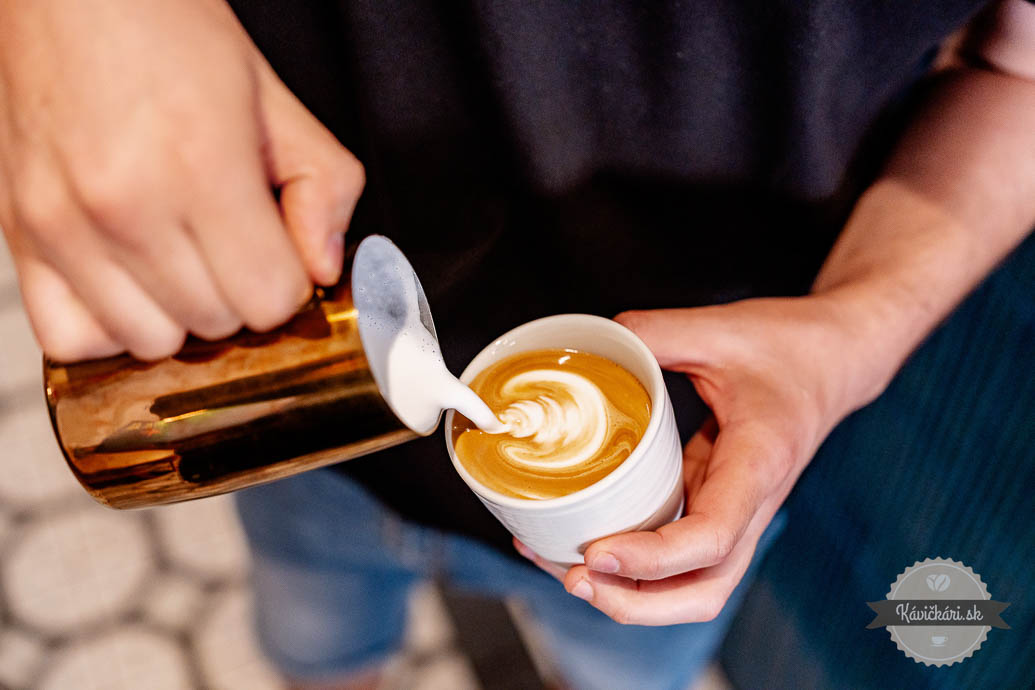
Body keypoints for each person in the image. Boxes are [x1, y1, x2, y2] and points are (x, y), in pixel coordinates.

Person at [1, 0, 1033, 687]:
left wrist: (860, 327)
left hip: (697, 477)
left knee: (617, 668)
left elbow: (1018, 72)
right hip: (300, 400)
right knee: (318, 648)